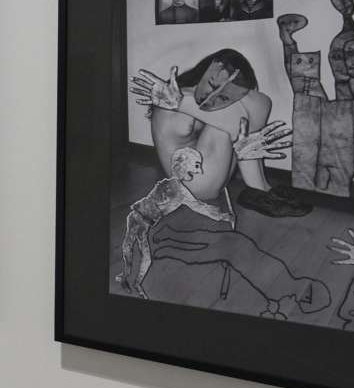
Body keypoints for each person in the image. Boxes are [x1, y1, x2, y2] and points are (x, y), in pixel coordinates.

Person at [129, 48, 304, 216]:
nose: (212, 96)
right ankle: (257, 192)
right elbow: (238, 125)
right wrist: (181, 103)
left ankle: (262, 188)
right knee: (235, 121)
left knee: (254, 104)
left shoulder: (185, 98)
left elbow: (262, 103)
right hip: (193, 184)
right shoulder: (177, 97)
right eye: (212, 84)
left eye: (224, 95)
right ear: (206, 70)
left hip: (213, 173)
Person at [119, 146, 234, 298]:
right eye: (196, 166)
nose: (199, 171)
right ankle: (126, 277)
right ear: (183, 164)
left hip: (144, 223)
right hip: (137, 218)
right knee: (130, 247)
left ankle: (134, 282)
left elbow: (199, 207)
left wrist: (222, 216)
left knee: (142, 256)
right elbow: (159, 201)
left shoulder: (182, 192)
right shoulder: (171, 186)